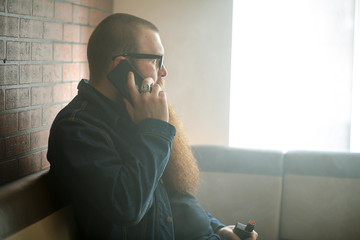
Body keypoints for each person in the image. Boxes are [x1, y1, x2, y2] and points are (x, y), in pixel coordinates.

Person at [47, 13, 258, 240]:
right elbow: (127, 207)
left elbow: (173, 197)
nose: (163, 71)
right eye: (156, 60)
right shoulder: (76, 128)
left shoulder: (134, 112)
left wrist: (216, 228)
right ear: (121, 66)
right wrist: (155, 127)